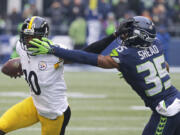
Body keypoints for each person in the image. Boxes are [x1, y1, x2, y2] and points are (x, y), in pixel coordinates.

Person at [28, 16, 180, 135]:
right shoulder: (157, 44)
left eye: (128, 33)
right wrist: (137, 72)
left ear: (138, 36)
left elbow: (87, 58)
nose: (125, 36)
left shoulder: (126, 56)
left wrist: (54, 50)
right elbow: (164, 67)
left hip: (166, 110)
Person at [0, 15, 124, 135]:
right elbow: (23, 61)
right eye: (26, 37)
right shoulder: (21, 47)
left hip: (54, 113)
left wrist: (113, 35)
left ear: (43, 37)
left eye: (33, 37)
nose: (29, 41)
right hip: (35, 103)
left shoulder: (54, 53)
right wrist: (19, 66)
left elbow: (85, 54)